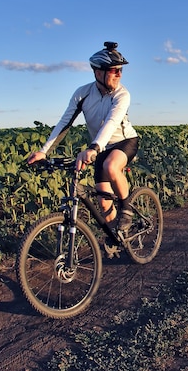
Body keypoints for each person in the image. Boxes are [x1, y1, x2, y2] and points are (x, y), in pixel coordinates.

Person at [27, 41, 139, 233]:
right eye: (114, 71)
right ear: (98, 73)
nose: (119, 75)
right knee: (104, 205)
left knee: (111, 166)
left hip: (124, 141)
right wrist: (43, 152)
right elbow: (65, 123)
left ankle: (126, 209)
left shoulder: (122, 94)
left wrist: (93, 148)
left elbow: (112, 122)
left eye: (120, 70)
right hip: (100, 146)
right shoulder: (83, 94)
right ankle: (118, 238)